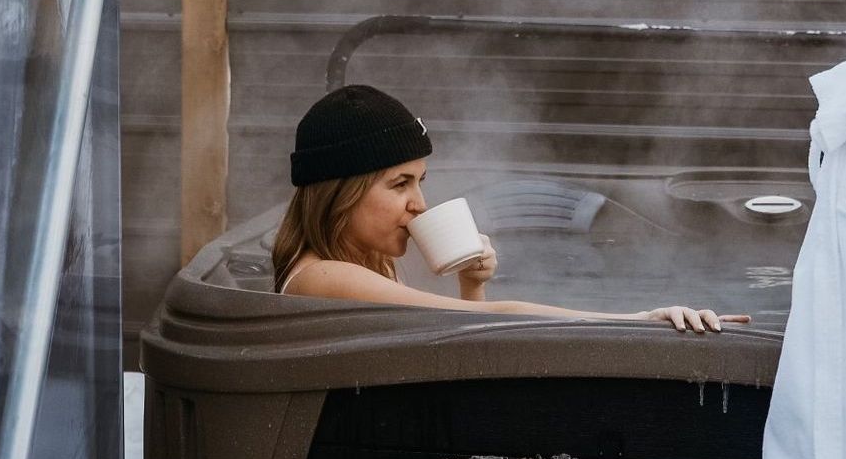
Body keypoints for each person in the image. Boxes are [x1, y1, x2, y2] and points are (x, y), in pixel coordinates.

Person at [272, 85, 743, 332]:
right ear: (342, 192)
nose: (419, 204)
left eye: (420, 181)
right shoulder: (324, 278)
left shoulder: (358, 268)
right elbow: (496, 318)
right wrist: (640, 321)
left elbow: (461, 341)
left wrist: (470, 285)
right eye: (399, 184)